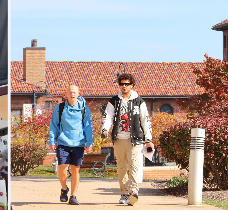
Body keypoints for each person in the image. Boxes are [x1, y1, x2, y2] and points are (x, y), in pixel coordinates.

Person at [101, 73, 154, 206]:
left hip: (135, 139)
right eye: (121, 84)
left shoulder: (139, 101)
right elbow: (108, 116)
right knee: (121, 167)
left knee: (134, 165)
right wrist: (105, 129)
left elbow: (145, 120)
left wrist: (148, 139)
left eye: (126, 84)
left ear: (132, 85)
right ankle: (124, 193)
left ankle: (134, 192)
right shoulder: (114, 100)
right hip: (119, 139)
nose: (124, 86)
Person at [47, 84, 94, 205]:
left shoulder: (84, 109)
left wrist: (89, 142)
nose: (72, 94)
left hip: (78, 143)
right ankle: (64, 189)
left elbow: (88, 127)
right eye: (70, 92)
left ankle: (73, 196)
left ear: (78, 93)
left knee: (75, 169)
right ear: (66, 94)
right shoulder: (60, 108)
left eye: (74, 92)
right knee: (62, 167)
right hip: (63, 142)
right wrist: (52, 141)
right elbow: (54, 125)